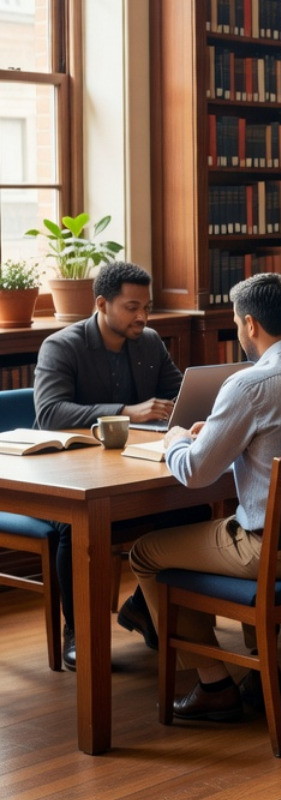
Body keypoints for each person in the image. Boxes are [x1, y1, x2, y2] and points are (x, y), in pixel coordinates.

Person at [124, 273, 281, 722]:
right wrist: (218, 434)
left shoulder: (249, 385)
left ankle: (214, 683)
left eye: (236, 323)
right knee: (232, 522)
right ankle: (256, 671)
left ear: (251, 324)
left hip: (273, 553)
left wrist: (175, 439)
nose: (238, 331)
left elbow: (195, 473)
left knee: (146, 553)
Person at [31, 260, 186, 672]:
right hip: (66, 471)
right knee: (75, 528)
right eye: (132, 307)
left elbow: (178, 394)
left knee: (190, 507)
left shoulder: (149, 342)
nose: (143, 317)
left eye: (147, 307)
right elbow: (49, 412)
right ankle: (77, 631)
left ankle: (144, 608)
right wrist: (125, 411)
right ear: (101, 303)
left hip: (130, 467)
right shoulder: (62, 346)